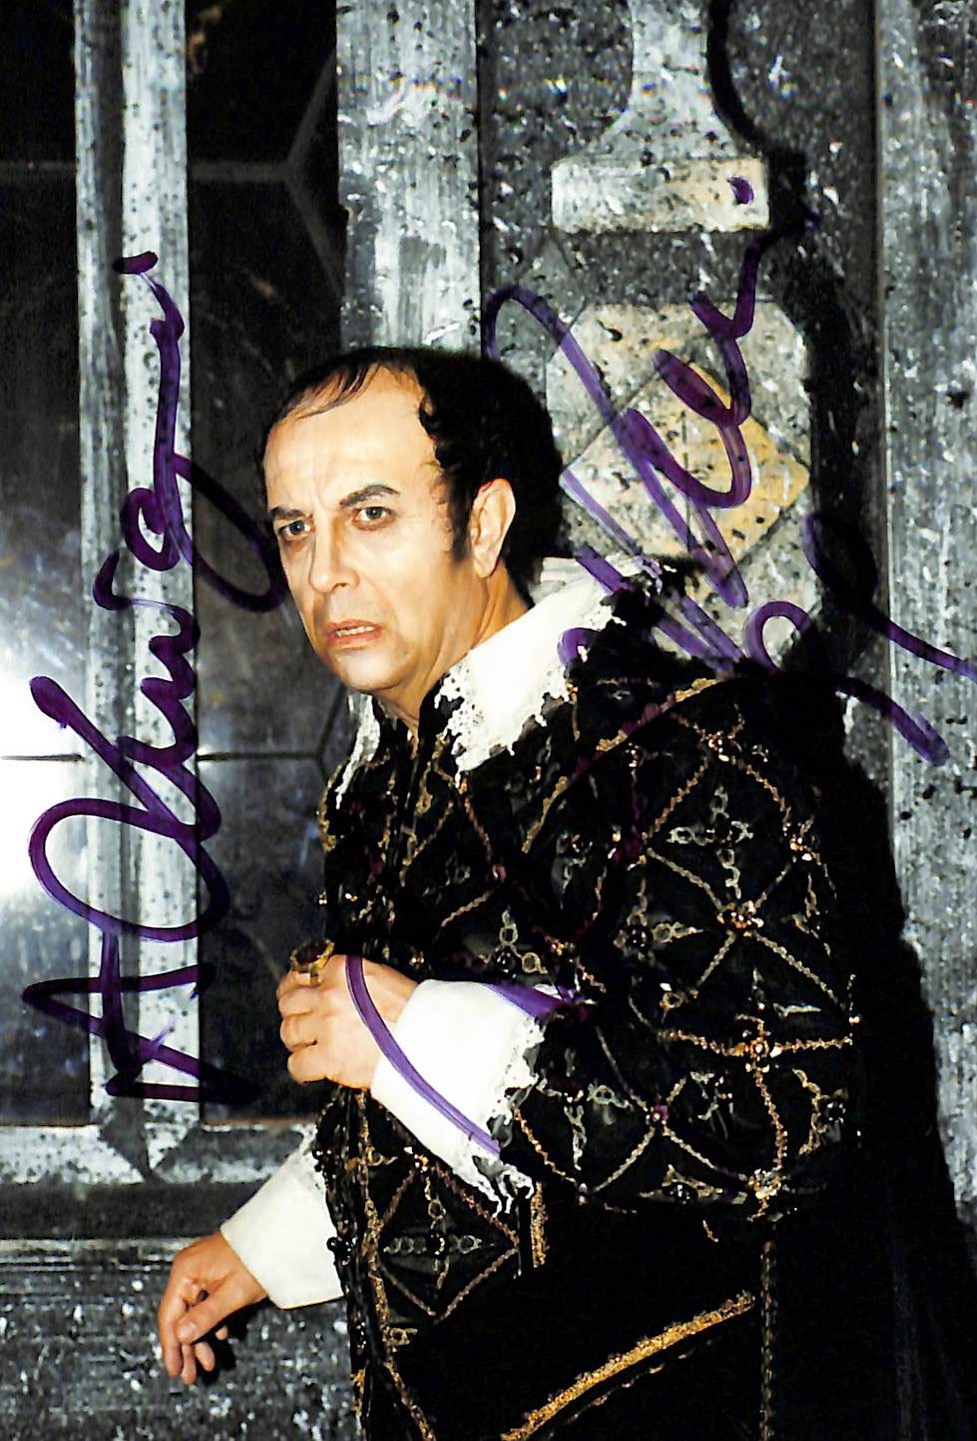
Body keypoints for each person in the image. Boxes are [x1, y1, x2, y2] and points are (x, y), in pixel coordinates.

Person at [156, 347, 948, 1438]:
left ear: (483, 526)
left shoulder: (669, 749)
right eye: (295, 527)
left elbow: (787, 1116)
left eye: (370, 514)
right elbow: (461, 1123)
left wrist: (410, 1030)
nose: (323, 571)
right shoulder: (389, 776)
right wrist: (269, 1244)